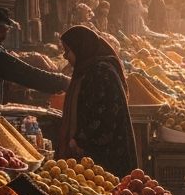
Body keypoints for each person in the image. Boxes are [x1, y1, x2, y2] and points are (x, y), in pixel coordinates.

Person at [56, 25, 138, 175]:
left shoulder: (101, 72)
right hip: (97, 154)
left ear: (82, 49)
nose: (65, 56)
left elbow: (103, 117)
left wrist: (80, 140)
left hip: (107, 156)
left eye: (68, 51)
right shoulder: (90, 69)